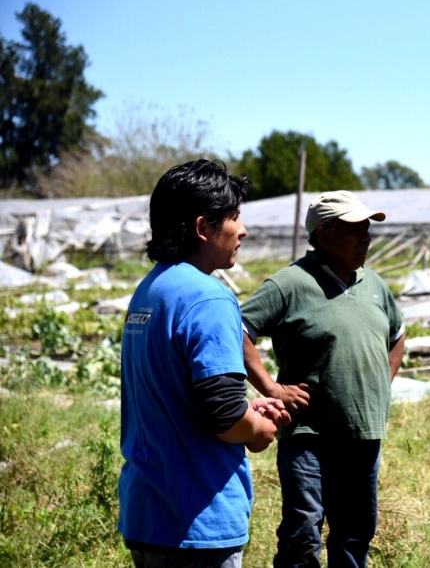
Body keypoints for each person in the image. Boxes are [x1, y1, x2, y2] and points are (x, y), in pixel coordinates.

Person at [118, 159, 291, 568]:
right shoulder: (209, 298)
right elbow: (225, 417)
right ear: (202, 228)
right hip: (195, 524)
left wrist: (244, 407)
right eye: (233, 218)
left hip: (146, 513)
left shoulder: (151, 290)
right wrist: (258, 428)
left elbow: (180, 396)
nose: (242, 230)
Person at [240, 190, 406, 568]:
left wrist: (381, 383)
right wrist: (272, 388)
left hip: (363, 430)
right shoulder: (290, 284)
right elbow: (237, 330)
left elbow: (397, 337)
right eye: (356, 229)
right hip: (309, 433)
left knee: (356, 530)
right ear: (326, 234)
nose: (367, 237)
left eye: (368, 228)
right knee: (303, 531)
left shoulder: (374, 284)